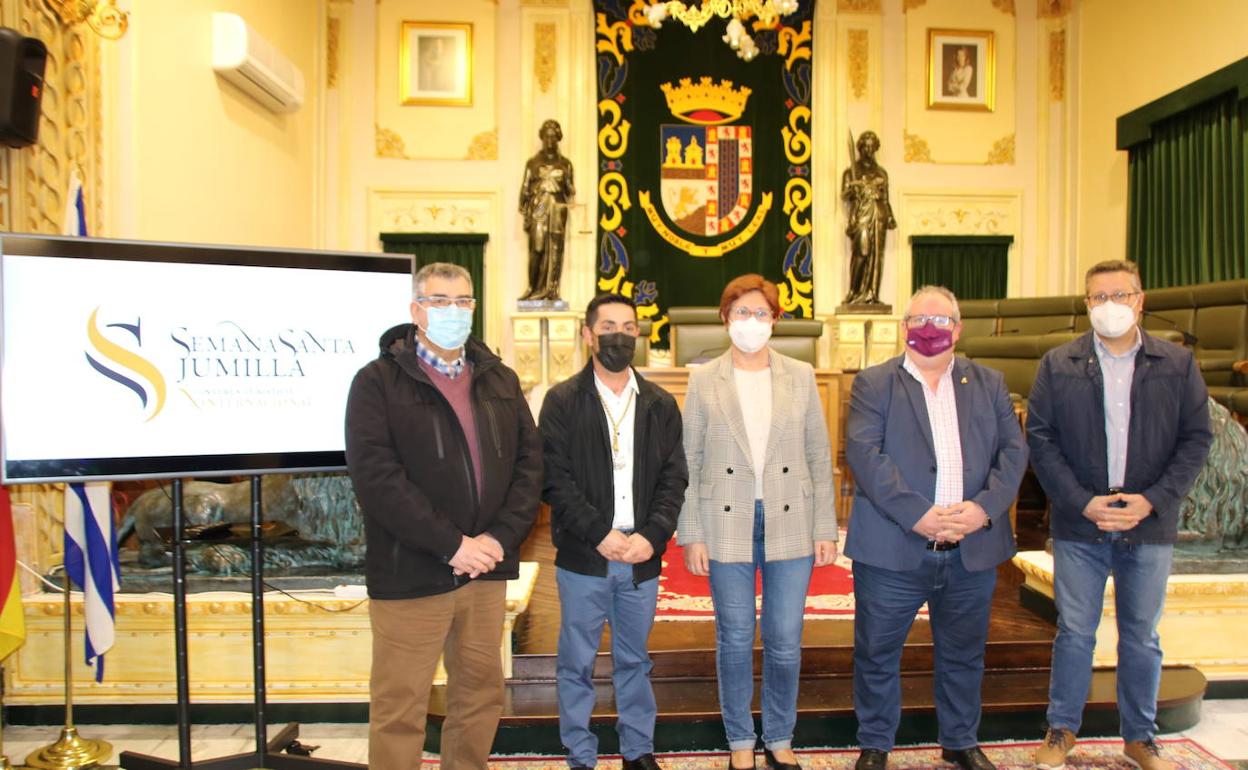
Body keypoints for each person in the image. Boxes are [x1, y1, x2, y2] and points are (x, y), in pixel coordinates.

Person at [345, 262, 542, 770]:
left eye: (463, 301)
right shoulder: (377, 382)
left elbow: (529, 465)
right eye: (439, 301)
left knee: (479, 697)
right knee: (400, 707)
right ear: (416, 310)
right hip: (412, 572)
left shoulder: (500, 378)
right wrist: (453, 544)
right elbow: (378, 480)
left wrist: (499, 538)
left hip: (486, 571)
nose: (452, 311)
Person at [1027, 260, 1212, 770]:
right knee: (1075, 633)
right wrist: (1081, 501)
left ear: (1140, 300)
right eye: (1098, 297)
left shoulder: (1177, 363)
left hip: (1148, 523)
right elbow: (1040, 440)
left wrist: (1153, 499)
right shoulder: (1057, 363)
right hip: (1080, 522)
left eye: (1120, 295)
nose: (1109, 305)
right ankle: (1061, 731)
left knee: (1141, 635)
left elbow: (1197, 440)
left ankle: (1140, 737)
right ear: (1086, 305)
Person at [844, 285, 1027, 770]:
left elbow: (1014, 453)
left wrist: (984, 509)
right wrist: (917, 513)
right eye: (919, 319)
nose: (930, 328)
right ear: (904, 328)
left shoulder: (988, 383)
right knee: (878, 652)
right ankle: (877, 743)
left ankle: (960, 740)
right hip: (895, 546)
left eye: (941, 320)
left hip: (971, 547)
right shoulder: (873, 383)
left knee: (964, 654)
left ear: (958, 328)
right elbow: (865, 455)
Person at [678, 274, 838, 770]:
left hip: (791, 515)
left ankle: (781, 735)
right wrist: (692, 532)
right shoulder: (705, 379)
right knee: (735, 635)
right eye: (742, 312)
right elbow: (688, 459)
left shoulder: (801, 374)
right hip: (726, 519)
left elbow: (817, 452)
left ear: (775, 320)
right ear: (726, 318)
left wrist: (825, 527)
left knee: (786, 638)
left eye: (762, 313)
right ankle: (741, 742)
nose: (752, 322)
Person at [540, 294, 688, 770]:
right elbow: (553, 478)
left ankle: (637, 749)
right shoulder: (562, 401)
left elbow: (673, 477)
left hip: (641, 556)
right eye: (608, 326)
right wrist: (598, 533)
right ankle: (580, 752)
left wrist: (653, 535)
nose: (619, 336)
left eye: (628, 326)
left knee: (634, 660)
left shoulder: (661, 404)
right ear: (588, 334)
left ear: (639, 334)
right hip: (586, 555)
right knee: (576, 662)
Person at [519, 119, 575, 302]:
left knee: (556, 248)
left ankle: (552, 290)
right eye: (546, 137)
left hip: (558, 205)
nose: (550, 141)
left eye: (553, 137)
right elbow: (525, 190)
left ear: (558, 139)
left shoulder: (566, 164)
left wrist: (568, 186)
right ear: (542, 138)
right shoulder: (533, 163)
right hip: (541, 204)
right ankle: (533, 288)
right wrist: (526, 209)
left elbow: (570, 191)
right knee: (538, 246)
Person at [841, 131, 896, 307]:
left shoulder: (881, 172)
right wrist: (853, 188)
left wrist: (890, 217)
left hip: (878, 213)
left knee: (877, 256)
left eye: (872, 146)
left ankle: (872, 294)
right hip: (861, 214)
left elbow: (886, 199)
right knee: (862, 252)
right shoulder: (851, 172)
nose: (869, 150)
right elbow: (844, 194)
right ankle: (854, 292)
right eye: (866, 146)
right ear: (860, 147)